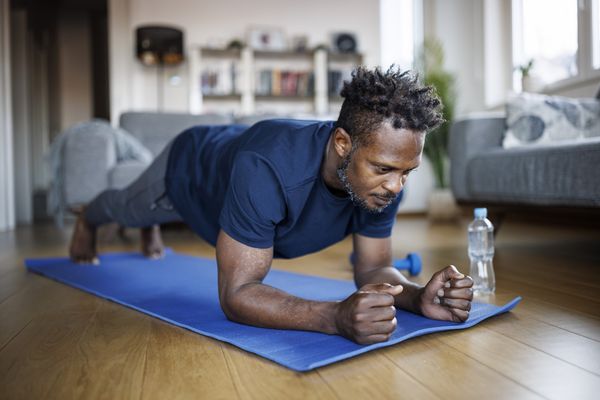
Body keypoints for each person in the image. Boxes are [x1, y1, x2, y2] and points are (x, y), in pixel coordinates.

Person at [69, 66, 474, 345]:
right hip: (190, 169)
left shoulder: (382, 178)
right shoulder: (267, 168)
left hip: (235, 163)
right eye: (386, 168)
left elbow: (371, 269)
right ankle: (88, 217)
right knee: (128, 208)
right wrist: (334, 316)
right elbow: (238, 293)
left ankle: (149, 229)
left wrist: (416, 297)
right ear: (342, 144)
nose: (396, 186)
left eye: (408, 171)